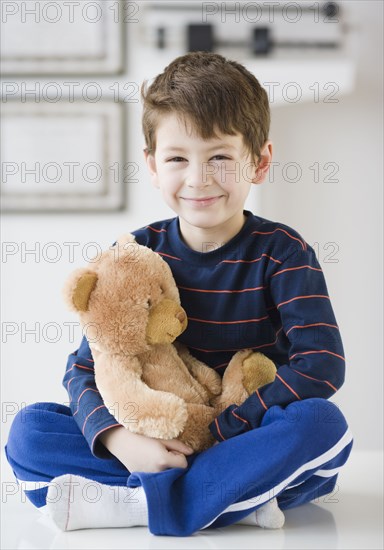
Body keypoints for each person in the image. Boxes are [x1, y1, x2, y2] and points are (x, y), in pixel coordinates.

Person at [5, 52, 353, 536]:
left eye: (220, 157)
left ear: (260, 161)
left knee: (322, 426)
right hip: (157, 440)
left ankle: (142, 505)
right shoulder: (134, 253)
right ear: (151, 165)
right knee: (29, 431)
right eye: (177, 159)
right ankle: (232, 501)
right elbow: (86, 366)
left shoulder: (283, 252)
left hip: (243, 436)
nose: (198, 178)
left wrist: (226, 428)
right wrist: (121, 440)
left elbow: (322, 363)